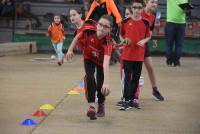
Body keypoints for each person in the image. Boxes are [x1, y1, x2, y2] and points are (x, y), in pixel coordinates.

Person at [66, 15, 113, 120]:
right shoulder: (88, 31)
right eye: (100, 24)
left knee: (101, 84)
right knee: (90, 78)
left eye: (106, 26)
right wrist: (70, 50)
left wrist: (107, 82)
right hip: (89, 58)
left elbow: (106, 63)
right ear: (97, 24)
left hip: (101, 62)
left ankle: (101, 103)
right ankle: (92, 106)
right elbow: (77, 36)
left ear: (109, 29)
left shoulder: (108, 43)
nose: (102, 27)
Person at [119, 0, 151, 110]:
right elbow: (121, 35)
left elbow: (149, 36)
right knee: (127, 78)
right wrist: (124, 40)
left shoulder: (146, 22)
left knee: (136, 78)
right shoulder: (126, 21)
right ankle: (126, 100)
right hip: (127, 55)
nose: (137, 10)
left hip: (139, 55)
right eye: (135, 7)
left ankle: (132, 100)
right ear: (132, 9)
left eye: (139, 8)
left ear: (142, 9)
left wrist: (144, 41)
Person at [141, 0, 164, 101]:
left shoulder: (154, 16)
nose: (155, 4)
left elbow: (149, 33)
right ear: (146, 2)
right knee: (133, 71)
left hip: (144, 44)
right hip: (134, 45)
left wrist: (145, 40)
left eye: (156, 2)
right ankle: (129, 93)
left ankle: (155, 90)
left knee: (150, 67)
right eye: (152, 2)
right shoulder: (138, 12)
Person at [165, 0, 187, 66]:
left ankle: (169, 61)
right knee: (179, 44)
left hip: (170, 22)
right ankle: (176, 61)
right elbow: (186, 10)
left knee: (169, 44)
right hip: (181, 23)